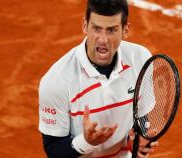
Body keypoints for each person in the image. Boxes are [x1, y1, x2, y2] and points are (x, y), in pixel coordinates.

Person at [38, 0, 159, 157]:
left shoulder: (141, 60)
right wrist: (86, 142)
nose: (103, 39)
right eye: (96, 28)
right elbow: (53, 150)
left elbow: (142, 115)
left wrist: (139, 139)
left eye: (111, 30)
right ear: (85, 25)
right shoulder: (57, 81)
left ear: (125, 30)